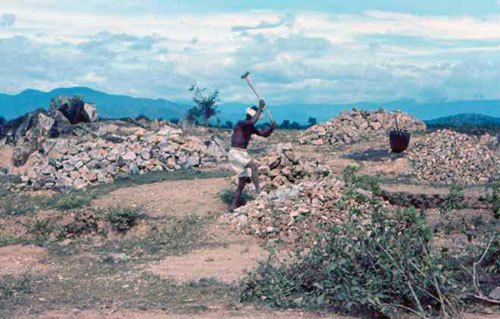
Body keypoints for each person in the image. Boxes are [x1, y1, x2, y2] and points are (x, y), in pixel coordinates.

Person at [228, 99, 276, 210]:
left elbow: (264, 134)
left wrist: (271, 128)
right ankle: (258, 191)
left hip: (243, 153)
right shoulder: (242, 123)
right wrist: (260, 108)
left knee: (242, 183)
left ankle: (233, 206)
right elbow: (251, 122)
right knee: (253, 166)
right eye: (257, 115)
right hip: (236, 153)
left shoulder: (250, 127)